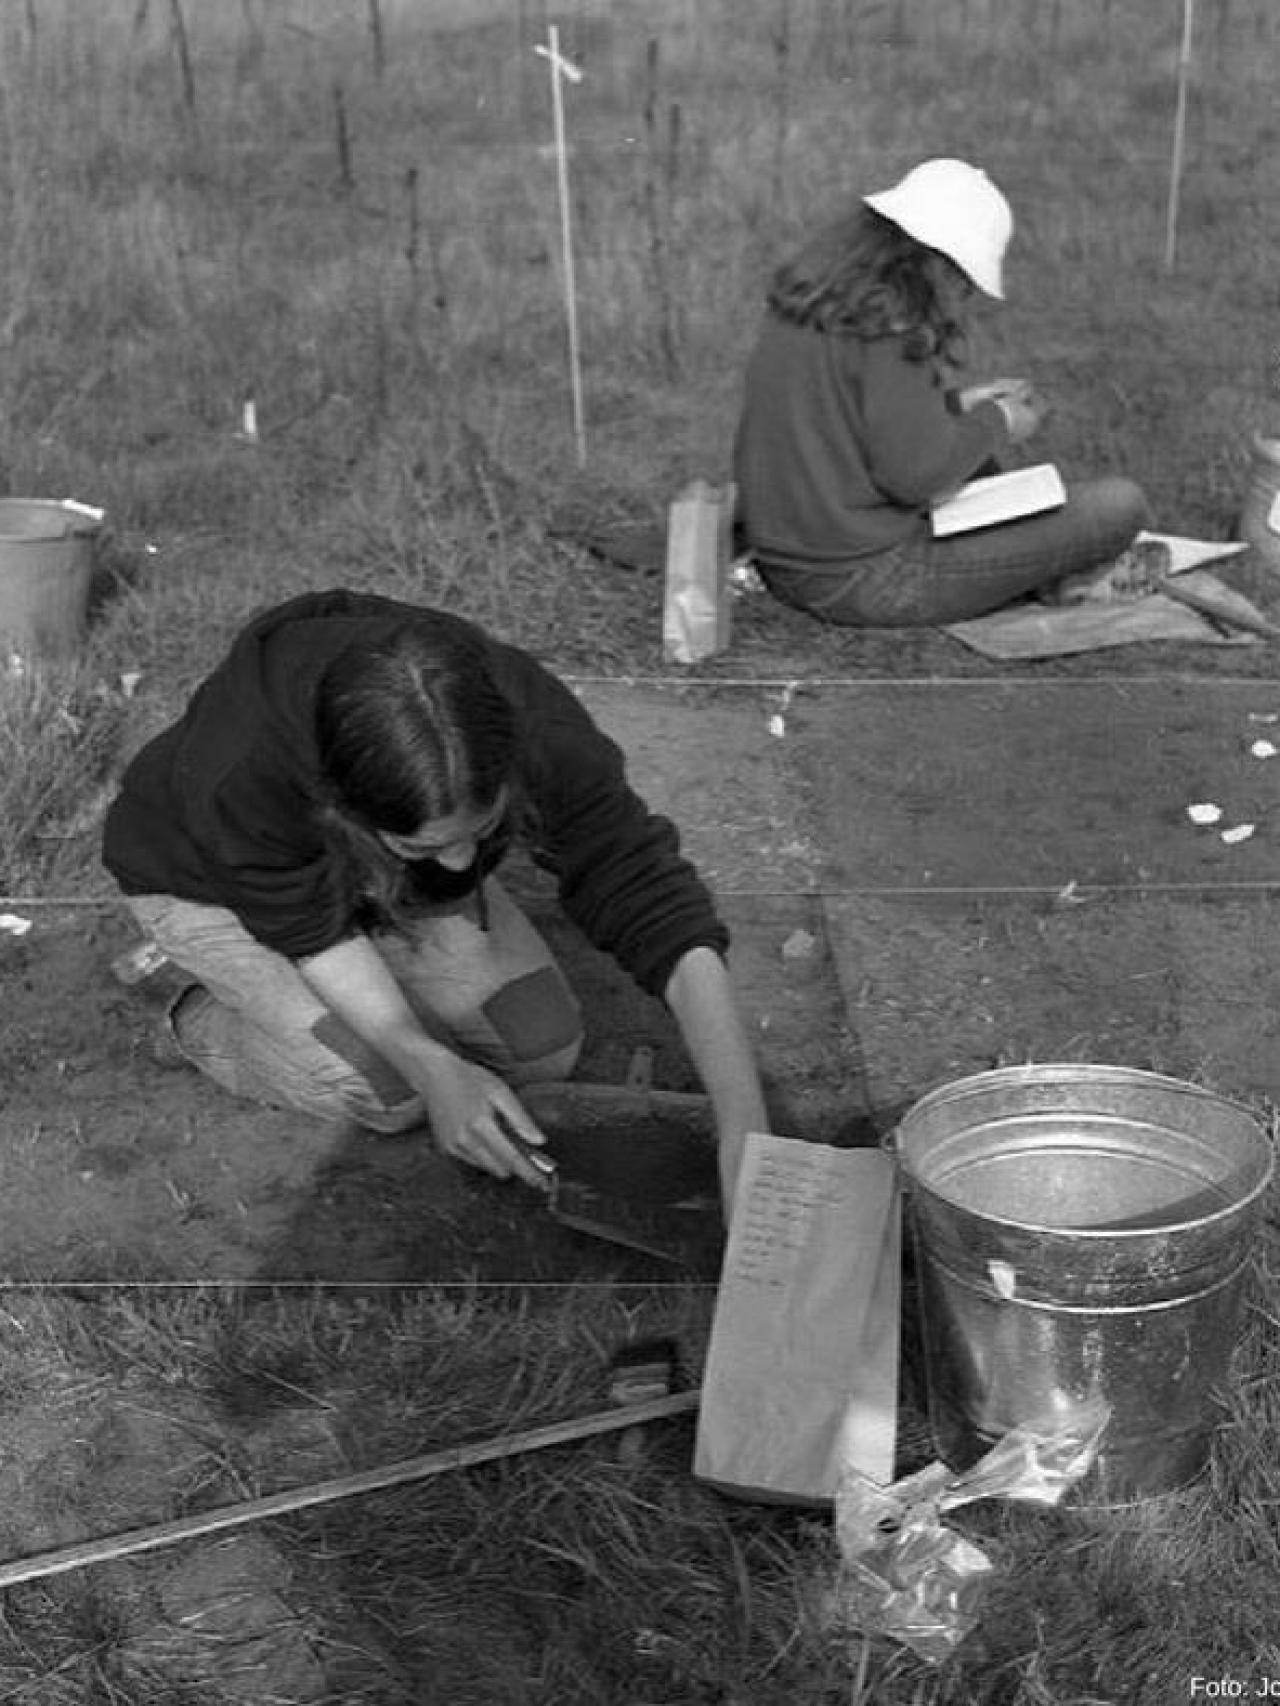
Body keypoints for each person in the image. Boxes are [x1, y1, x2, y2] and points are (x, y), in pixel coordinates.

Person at [101, 589, 768, 1206]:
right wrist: (429, 1065)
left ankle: (374, 933)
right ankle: (198, 1016)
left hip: (364, 881)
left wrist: (744, 1126)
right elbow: (310, 928)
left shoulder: (526, 720)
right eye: (427, 847)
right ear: (342, 806)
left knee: (543, 1047)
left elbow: (643, 887)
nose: (461, 863)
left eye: (480, 834)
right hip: (210, 882)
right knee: (388, 1090)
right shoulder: (241, 769)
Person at [732, 157, 1153, 627]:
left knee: (993, 474)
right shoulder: (893, 326)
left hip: (787, 559)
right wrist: (999, 423)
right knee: (1119, 504)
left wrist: (958, 406)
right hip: (864, 576)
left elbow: (845, 425)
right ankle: (1056, 576)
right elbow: (915, 477)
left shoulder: (813, 302)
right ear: (941, 264)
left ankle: (1044, 574)